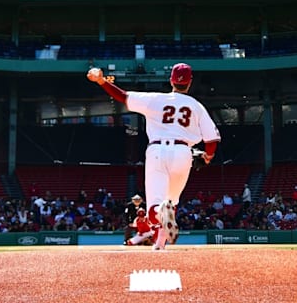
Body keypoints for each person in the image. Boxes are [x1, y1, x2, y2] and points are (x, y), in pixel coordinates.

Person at [87, 62, 221, 250]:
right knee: (171, 203)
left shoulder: (156, 99)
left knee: (154, 210)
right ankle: (160, 244)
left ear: (171, 80)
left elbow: (123, 96)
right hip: (183, 153)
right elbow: (211, 140)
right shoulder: (196, 106)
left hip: (158, 151)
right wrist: (208, 156)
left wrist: (101, 81)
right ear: (190, 82)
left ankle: (160, 214)